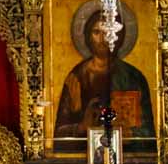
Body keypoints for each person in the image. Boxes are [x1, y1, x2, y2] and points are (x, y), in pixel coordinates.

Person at [54, 9, 155, 144]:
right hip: (81, 156)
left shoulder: (133, 77)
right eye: (96, 32)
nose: (102, 39)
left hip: (130, 157)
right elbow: (58, 134)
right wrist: (82, 126)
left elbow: (149, 133)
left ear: (119, 36)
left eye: (108, 33)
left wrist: (128, 133)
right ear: (87, 36)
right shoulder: (76, 78)